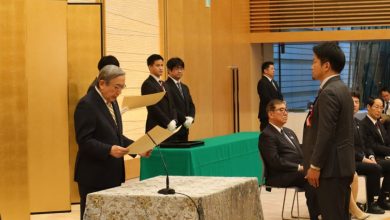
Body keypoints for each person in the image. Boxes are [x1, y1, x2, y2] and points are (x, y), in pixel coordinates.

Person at [74, 65, 151, 219]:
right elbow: (84, 141)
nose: (119, 92)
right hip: (94, 175)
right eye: (116, 87)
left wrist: (138, 148)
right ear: (102, 83)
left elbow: (116, 136)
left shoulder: (112, 101)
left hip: (112, 173)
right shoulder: (87, 105)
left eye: (122, 87)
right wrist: (108, 150)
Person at [302, 42, 355, 220]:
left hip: (330, 169)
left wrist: (315, 166)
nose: (311, 66)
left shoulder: (330, 92)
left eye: (314, 61)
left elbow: (325, 133)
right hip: (340, 166)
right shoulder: (341, 88)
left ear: (326, 65)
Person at [259, 99, 319, 220]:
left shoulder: (288, 131)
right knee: (310, 176)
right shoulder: (267, 135)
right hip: (279, 176)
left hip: (296, 172)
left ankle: (320, 212)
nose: (285, 113)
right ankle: (316, 215)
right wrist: (300, 167)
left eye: (286, 110)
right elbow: (275, 161)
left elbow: (302, 153)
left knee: (316, 174)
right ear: (270, 114)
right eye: (281, 110)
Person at [351, 92, 384, 215]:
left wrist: (370, 156)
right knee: (374, 168)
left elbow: (365, 145)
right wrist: (364, 159)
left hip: (361, 158)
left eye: (357, 102)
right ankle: (371, 203)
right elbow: (348, 147)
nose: (354, 104)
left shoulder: (356, 121)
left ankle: (381, 198)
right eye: (352, 101)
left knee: (375, 165)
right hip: (350, 160)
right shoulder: (344, 122)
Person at [359, 97, 390, 210]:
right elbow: (371, 145)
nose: (379, 110)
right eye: (376, 107)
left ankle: (384, 198)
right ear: (368, 107)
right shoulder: (363, 124)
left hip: (382, 156)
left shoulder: (379, 124)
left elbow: (386, 141)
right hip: (371, 157)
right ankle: (377, 200)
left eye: (381, 108)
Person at [141, 54, 177, 135]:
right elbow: (152, 107)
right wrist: (167, 122)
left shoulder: (165, 84)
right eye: (157, 65)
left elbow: (172, 104)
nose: (161, 68)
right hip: (156, 127)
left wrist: (174, 119)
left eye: (162, 65)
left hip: (169, 128)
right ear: (150, 67)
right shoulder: (147, 84)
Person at [164, 57, 195, 141]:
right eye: (176, 68)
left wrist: (191, 118)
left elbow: (191, 105)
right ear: (169, 70)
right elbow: (171, 107)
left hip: (185, 129)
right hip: (173, 129)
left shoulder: (185, 87)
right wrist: (184, 120)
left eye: (181, 68)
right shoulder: (165, 86)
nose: (180, 71)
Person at [257, 61, 283, 131]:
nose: (274, 70)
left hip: (276, 113)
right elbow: (266, 98)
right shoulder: (262, 82)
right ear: (265, 71)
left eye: (274, 69)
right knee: (267, 135)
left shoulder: (274, 82)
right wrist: (277, 105)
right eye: (272, 69)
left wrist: (282, 103)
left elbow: (279, 95)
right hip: (267, 114)